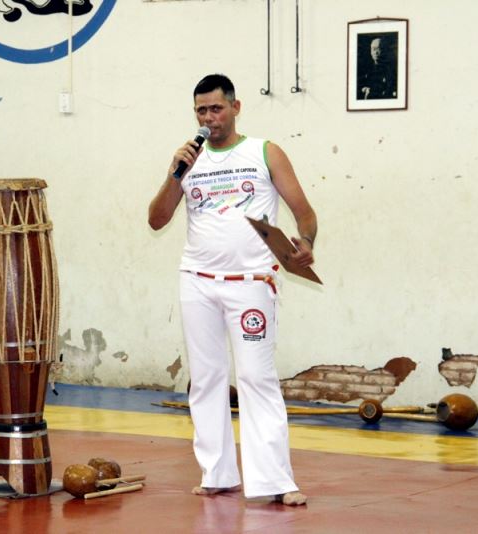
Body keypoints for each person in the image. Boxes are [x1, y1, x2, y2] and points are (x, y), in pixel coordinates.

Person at [148, 74, 317, 506]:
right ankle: (217, 473)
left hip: (252, 284)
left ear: (236, 107)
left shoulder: (264, 151)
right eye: (201, 111)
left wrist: (307, 244)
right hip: (197, 282)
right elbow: (156, 219)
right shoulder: (187, 161)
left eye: (216, 109)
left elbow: (304, 213)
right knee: (205, 379)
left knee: (256, 378)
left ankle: (275, 480)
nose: (209, 118)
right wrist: (174, 175)